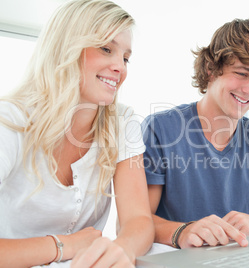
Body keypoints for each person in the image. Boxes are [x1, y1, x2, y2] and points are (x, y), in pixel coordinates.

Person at [0, 0, 154, 267]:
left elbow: (138, 220)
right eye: (106, 49)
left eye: (126, 58)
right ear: (66, 49)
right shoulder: (9, 121)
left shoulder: (122, 121)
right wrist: (64, 246)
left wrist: (121, 251)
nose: (121, 68)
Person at [141, 18, 249, 249]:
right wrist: (183, 231)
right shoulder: (161, 130)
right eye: (243, 73)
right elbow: (136, 223)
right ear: (212, 69)